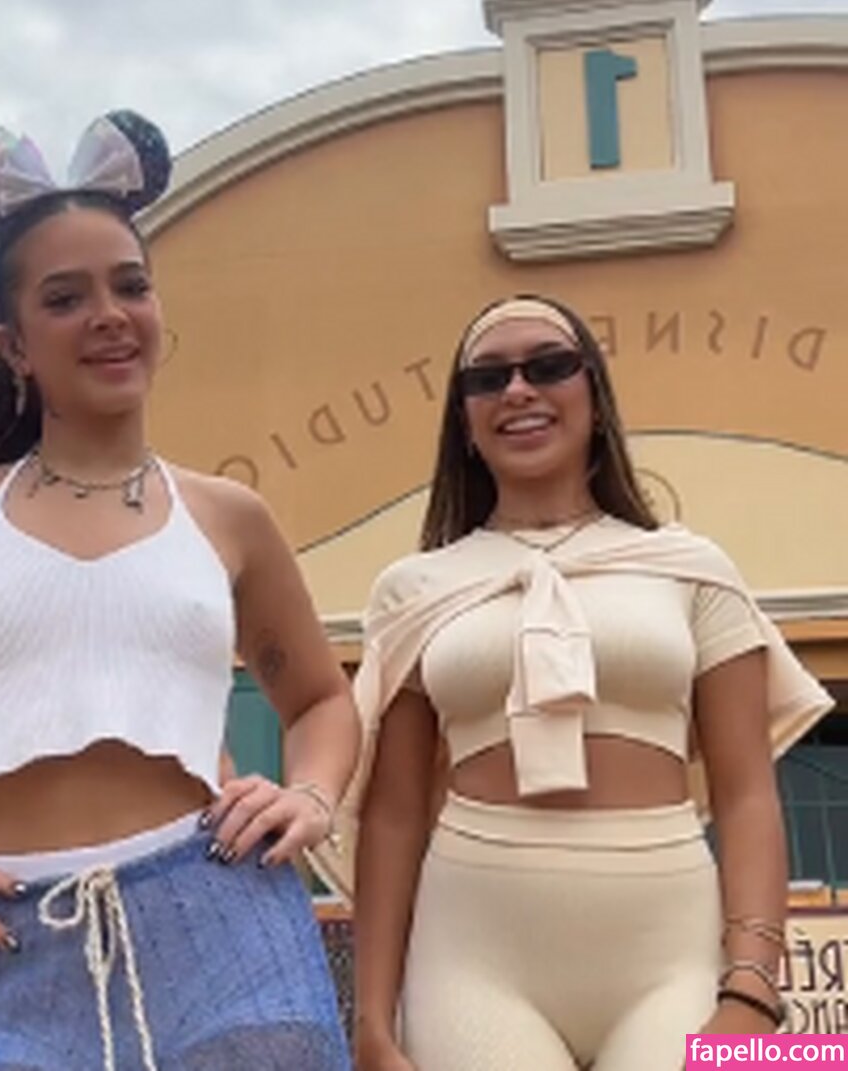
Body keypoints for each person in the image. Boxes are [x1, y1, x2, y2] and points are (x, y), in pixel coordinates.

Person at [0, 109, 358, 1071]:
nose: (108, 313)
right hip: (5, 938)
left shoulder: (228, 515)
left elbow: (320, 698)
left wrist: (311, 792)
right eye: (64, 298)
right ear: (12, 343)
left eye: (130, 285)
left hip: (223, 923)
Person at [310, 294, 833, 1070]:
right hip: (472, 960)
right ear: (464, 420)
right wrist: (373, 1022)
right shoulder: (415, 589)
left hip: (672, 956)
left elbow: (748, 791)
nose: (518, 389)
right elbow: (394, 815)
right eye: (488, 377)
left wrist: (752, 989)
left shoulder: (692, 568)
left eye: (549, 365)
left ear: (595, 395)